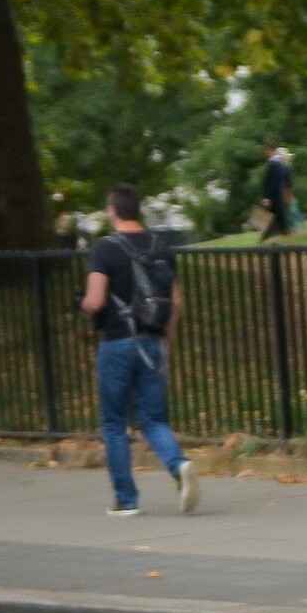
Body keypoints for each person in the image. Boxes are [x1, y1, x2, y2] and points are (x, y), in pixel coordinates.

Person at [80, 185, 198, 517]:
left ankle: (126, 500)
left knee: (115, 422)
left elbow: (96, 300)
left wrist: (82, 304)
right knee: (153, 418)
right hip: (152, 341)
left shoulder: (104, 248)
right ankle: (179, 464)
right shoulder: (160, 247)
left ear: (112, 210)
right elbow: (175, 302)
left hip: (117, 343)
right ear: (138, 210)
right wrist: (166, 343)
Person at [257, 142, 296, 240]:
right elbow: (287, 181)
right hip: (280, 194)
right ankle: (282, 233)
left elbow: (270, 182)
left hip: (274, 195)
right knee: (279, 216)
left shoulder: (273, 164)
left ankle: (269, 236)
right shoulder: (283, 165)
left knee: (272, 216)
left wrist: (267, 197)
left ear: (269, 150)